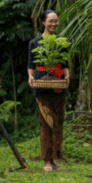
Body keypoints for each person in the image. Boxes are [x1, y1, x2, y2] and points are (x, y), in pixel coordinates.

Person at [28, 9, 70, 171]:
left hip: (58, 82)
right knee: (46, 122)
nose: (54, 24)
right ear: (43, 22)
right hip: (42, 83)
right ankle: (46, 160)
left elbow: (64, 63)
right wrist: (30, 76)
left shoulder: (61, 41)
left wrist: (67, 75)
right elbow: (31, 64)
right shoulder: (35, 42)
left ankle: (54, 160)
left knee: (58, 122)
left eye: (56, 21)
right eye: (50, 21)